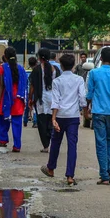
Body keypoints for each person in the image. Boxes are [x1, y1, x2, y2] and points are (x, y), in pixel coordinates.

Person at [40, 54, 86, 186]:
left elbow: (56, 101)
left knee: (55, 142)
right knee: (72, 145)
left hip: (60, 116)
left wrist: (53, 118)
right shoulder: (78, 80)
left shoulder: (57, 81)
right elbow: (82, 98)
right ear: (73, 66)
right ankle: (70, 176)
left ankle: (51, 168)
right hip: (73, 116)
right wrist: (84, 110)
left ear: (61, 66)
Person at [86, 47, 110, 185]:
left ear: (100, 58)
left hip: (98, 112)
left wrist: (86, 108)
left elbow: (89, 94)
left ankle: (104, 175)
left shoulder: (94, 73)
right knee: (109, 142)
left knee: (101, 143)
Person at [0, 47, 27, 152]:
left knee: (2, 120)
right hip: (18, 98)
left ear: (5, 57)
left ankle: (3, 141)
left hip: (6, 98)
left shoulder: (2, 68)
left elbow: (1, 86)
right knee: (17, 123)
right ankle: (17, 146)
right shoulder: (21, 68)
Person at [29, 48, 60, 153]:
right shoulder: (55, 69)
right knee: (52, 121)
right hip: (53, 99)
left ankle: (46, 145)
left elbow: (32, 86)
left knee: (42, 123)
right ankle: (53, 143)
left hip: (41, 100)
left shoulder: (36, 69)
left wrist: (30, 98)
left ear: (39, 57)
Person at [24, 56, 38, 128]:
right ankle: (35, 122)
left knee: (27, 106)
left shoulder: (27, 72)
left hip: (29, 91)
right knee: (36, 107)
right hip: (37, 92)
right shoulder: (39, 71)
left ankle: (25, 121)